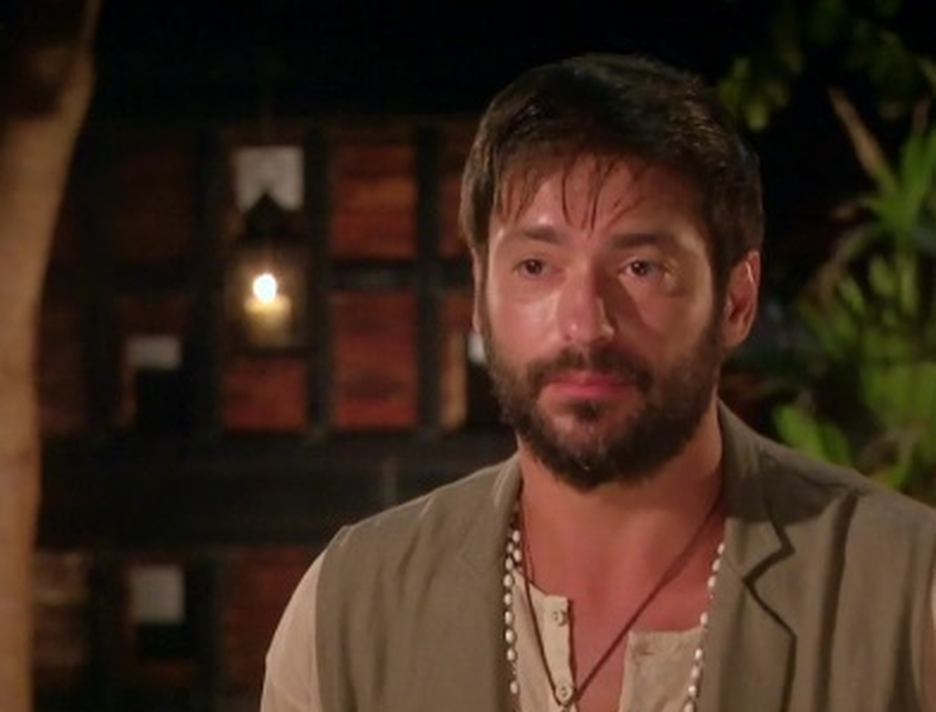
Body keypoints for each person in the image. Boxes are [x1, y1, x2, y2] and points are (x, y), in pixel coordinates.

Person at [260, 53, 936, 712]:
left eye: (641, 267)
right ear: (481, 294)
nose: (585, 325)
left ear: (736, 300)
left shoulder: (905, 595)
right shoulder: (351, 612)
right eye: (535, 267)